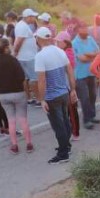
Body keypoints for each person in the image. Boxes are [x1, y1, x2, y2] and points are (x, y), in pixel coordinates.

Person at [34, 27, 77, 164]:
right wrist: (73, 89)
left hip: (52, 97)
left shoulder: (40, 56)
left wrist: (41, 99)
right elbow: (70, 71)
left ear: (39, 39)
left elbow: (41, 80)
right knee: (65, 121)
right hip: (64, 92)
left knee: (58, 125)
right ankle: (67, 146)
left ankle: (63, 154)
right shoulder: (60, 51)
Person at [0, 38, 33, 154]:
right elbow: (22, 78)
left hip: (4, 95)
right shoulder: (13, 60)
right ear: (6, 48)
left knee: (11, 121)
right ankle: (29, 144)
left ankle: (14, 145)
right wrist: (27, 93)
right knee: (23, 119)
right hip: (18, 92)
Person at [72, 22, 100, 130]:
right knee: (85, 98)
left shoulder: (90, 39)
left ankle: (92, 116)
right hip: (80, 74)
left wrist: (88, 55)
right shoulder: (74, 43)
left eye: (86, 28)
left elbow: (99, 52)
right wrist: (93, 56)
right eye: (83, 28)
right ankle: (86, 120)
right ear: (78, 30)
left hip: (91, 73)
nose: (86, 30)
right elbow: (82, 59)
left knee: (93, 95)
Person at [56, 31, 80, 141]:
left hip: (69, 86)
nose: (57, 43)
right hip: (65, 85)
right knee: (68, 110)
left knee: (72, 110)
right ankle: (71, 130)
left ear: (65, 42)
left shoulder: (68, 53)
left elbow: (68, 70)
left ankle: (75, 133)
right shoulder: (65, 51)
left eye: (58, 42)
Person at [14, 9, 41, 107]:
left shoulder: (21, 25)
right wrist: (15, 52)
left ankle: (29, 98)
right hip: (28, 57)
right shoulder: (23, 27)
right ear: (28, 17)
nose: (34, 18)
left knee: (25, 78)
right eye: (33, 16)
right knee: (34, 78)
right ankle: (38, 99)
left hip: (24, 56)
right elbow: (19, 41)